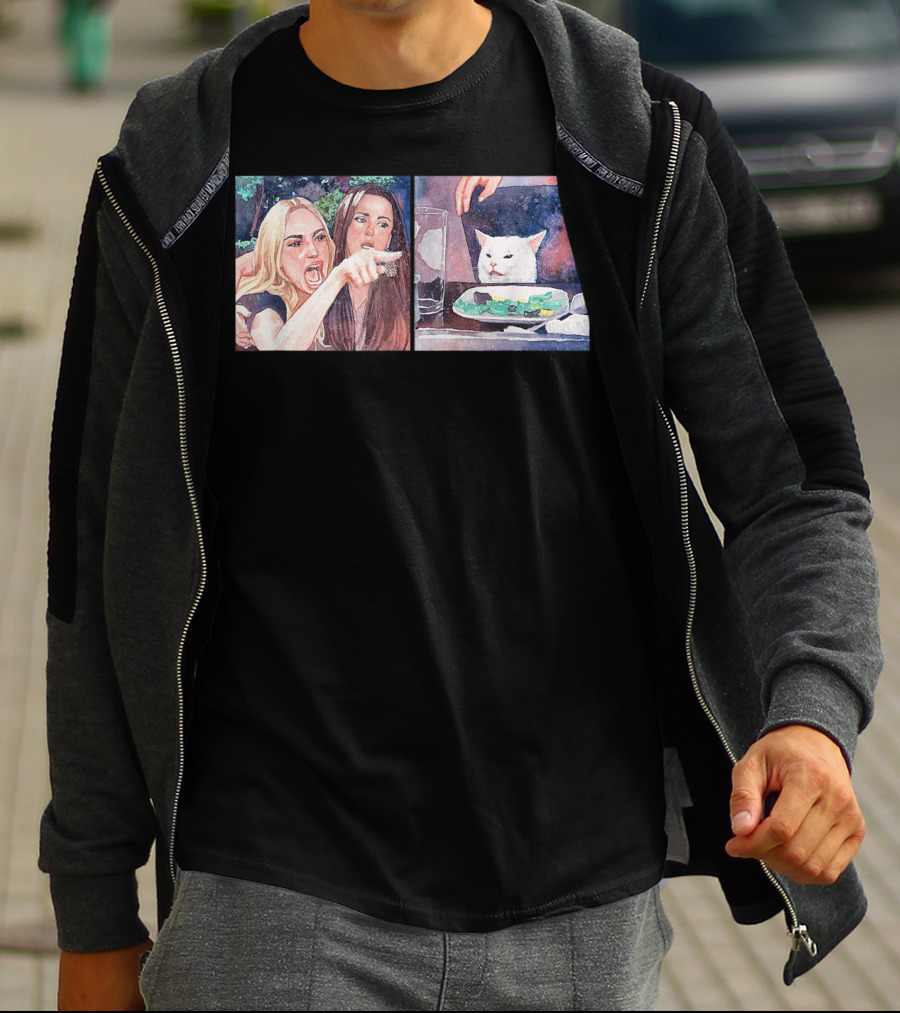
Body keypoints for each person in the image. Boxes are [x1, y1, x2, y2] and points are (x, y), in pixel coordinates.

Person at [41, 1, 880, 1010]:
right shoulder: (176, 165)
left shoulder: (635, 137)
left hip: (580, 898)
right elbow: (90, 556)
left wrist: (813, 715)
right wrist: (93, 907)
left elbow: (796, 480)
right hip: (270, 893)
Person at [234, 195, 402, 350]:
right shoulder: (264, 303)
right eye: (296, 243)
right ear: (275, 257)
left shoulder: (335, 298)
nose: (313, 251)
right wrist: (338, 276)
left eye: (320, 238)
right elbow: (277, 350)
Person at [325, 181, 411, 350]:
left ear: (390, 238)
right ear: (344, 225)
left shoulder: (402, 295)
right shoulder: (322, 283)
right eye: (361, 219)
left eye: (383, 224)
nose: (370, 230)